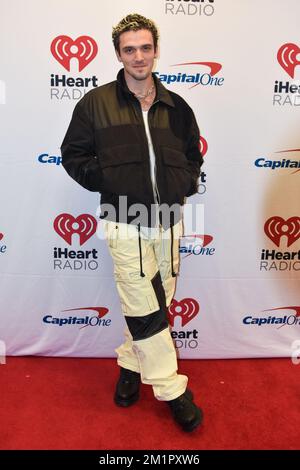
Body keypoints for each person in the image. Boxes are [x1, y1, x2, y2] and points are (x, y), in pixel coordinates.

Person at [61, 13, 203, 432]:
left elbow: (193, 157)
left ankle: (129, 363)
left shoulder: (178, 107)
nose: (138, 56)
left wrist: (184, 183)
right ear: (118, 54)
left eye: (145, 47)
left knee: (158, 300)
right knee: (143, 304)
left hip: (168, 218)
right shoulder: (95, 104)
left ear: (155, 50)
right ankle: (172, 389)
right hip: (125, 218)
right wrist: (110, 181)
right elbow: (73, 155)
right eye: (129, 49)